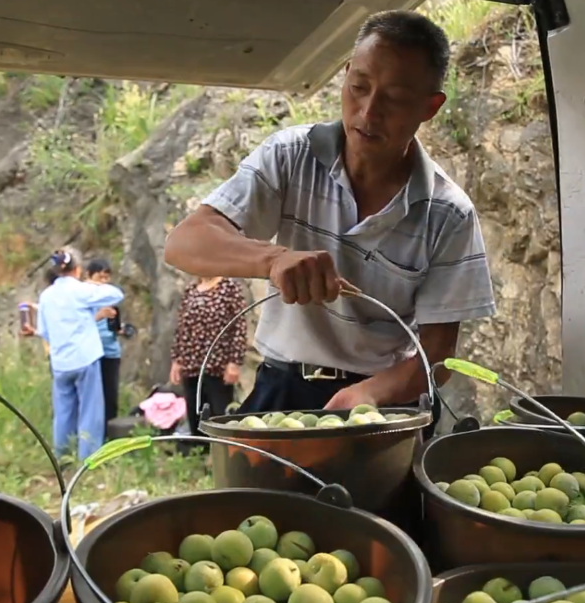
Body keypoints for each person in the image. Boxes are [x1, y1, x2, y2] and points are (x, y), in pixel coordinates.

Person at [162, 10, 496, 424]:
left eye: (393, 99)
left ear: (430, 107)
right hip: (281, 390)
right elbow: (184, 243)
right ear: (345, 75)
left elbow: (438, 356)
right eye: (359, 87)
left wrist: (370, 392)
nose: (368, 113)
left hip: (381, 404)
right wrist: (273, 260)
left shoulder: (448, 213)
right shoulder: (288, 157)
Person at [25, 248, 124, 461]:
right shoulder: (81, 291)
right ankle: (88, 460)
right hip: (85, 359)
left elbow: (43, 331)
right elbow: (116, 294)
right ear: (77, 269)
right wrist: (94, 284)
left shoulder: (46, 296)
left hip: (60, 362)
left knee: (63, 414)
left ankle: (62, 457)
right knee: (90, 412)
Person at [169, 276, 248, 434]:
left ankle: (221, 452)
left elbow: (239, 326)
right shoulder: (191, 289)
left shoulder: (229, 287)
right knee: (195, 412)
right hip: (190, 363)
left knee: (219, 414)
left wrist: (234, 362)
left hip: (218, 364)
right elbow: (181, 327)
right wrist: (177, 360)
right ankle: (198, 451)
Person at [84, 258, 125, 436]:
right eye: (100, 277)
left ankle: (110, 437)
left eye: (107, 278)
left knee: (110, 397)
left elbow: (114, 325)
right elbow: (78, 326)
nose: (104, 282)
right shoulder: (83, 298)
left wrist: (119, 330)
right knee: (92, 400)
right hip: (92, 354)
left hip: (111, 352)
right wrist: (99, 316)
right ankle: (93, 437)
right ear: (89, 276)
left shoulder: (110, 297)